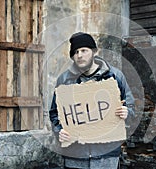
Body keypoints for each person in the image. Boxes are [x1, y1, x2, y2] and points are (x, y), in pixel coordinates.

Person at [49, 32, 134, 169]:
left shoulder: (115, 76)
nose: (80, 55)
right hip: (75, 156)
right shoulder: (64, 80)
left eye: (84, 50)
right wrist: (59, 131)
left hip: (106, 156)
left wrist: (127, 112)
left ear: (94, 51)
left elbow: (131, 106)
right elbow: (54, 113)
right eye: (75, 52)